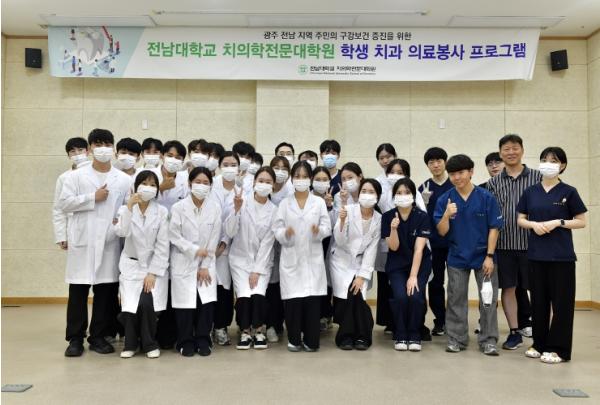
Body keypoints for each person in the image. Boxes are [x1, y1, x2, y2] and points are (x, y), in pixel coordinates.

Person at [58, 128, 132, 357]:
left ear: (113, 148)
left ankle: (98, 336)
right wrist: (92, 198)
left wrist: (120, 220)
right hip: (83, 241)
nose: (103, 149)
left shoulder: (124, 179)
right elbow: (64, 204)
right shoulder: (75, 177)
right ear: (90, 149)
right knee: (78, 293)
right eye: (98, 144)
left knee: (105, 293)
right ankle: (75, 339)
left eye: (107, 144)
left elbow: (128, 207)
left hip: (109, 242)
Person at [517, 147, 587, 364]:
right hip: (536, 255)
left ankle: (559, 349)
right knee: (538, 302)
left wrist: (559, 222)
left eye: (554, 160)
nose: (548, 164)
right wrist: (533, 225)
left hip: (561, 257)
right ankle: (539, 344)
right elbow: (520, 219)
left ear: (562, 165)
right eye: (544, 160)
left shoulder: (569, 192)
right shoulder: (530, 191)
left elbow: (581, 221)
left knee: (562, 304)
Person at [434, 154, 503, 356]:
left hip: (484, 257)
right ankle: (456, 339)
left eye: (461, 173)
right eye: (452, 174)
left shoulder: (486, 197)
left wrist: (489, 256)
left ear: (471, 172)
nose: (457, 177)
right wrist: (446, 215)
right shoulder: (445, 199)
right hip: (457, 256)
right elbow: (442, 231)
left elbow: (494, 228)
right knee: (455, 298)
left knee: (488, 299)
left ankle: (489, 340)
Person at [487, 134, 541, 350]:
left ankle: (541, 333)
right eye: (506, 149)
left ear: (522, 150)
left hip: (534, 245)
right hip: (504, 245)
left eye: (515, 148)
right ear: (501, 153)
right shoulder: (493, 183)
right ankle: (514, 332)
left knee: (537, 289)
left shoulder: (537, 177)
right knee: (508, 288)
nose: (511, 152)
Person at [273, 161, 332, 352]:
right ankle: (294, 339)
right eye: (297, 176)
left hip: (313, 258)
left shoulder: (319, 202)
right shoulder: (284, 203)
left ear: (311, 179)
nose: (301, 180)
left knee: (312, 302)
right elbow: (277, 229)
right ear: (292, 179)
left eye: (305, 176)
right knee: (293, 302)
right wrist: (285, 234)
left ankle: (311, 339)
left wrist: (318, 231)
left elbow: (327, 227)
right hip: (291, 257)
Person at [113, 170, 169, 359]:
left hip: (152, 266)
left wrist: (153, 273)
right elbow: (121, 232)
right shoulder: (124, 209)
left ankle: (149, 343)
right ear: (136, 186)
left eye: (153, 185)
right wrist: (129, 207)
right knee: (130, 307)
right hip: (131, 265)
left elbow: (163, 245)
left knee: (146, 304)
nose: (148, 188)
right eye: (144, 183)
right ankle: (130, 344)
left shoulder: (162, 212)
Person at [169, 167, 222, 357]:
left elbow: (214, 239)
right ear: (189, 183)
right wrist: (193, 250)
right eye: (198, 182)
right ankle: (184, 341)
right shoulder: (178, 208)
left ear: (211, 186)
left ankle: (203, 339)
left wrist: (205, 266)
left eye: (206, 182)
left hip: (207, 261)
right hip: (183, 260)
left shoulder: (215, 208)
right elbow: (174, 235)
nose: (201, 185)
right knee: (185, 304)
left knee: (205, 303)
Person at [225, 167, 278, 350]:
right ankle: (245, 331)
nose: (264, 184)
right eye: (261, 180)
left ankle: (259, 330)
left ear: (273, 185)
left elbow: (268, 242)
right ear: (254, 183)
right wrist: (236, 210)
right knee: (244, 296)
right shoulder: (241, 201)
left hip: (262, 262)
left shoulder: (274, 210)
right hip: (239, 260)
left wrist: (256, 270)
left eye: (268, 182)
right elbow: (230, 231)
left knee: (258, 294)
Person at [329, 179, 381, 350]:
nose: (367, 195)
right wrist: (342, 221)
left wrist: (362, 276)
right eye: (364, 191)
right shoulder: (349, 210)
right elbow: (339, 240)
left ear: (378, 196)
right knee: (349, 295)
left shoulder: (378, 219)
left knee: (356, 293)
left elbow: (372, 250)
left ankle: (355, 336)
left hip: (361, 261)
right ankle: (353, 335)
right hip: (341, 260)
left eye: (371, 192)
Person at [383, 178, 432, 352]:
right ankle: (401, 333)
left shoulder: (422, 216)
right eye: (399, 193)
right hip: (397, 264)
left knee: (416, 297)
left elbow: (419, 249)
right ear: (393, 196)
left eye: (407, 192)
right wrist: (393, 229)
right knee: (400, 297)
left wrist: (413, 276)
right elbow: (393, 246)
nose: (403, 196)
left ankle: (414, 333)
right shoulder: (388, 217)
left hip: (419, 265)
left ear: (413, 195)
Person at [152, 140, 189, 350]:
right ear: (162, 156)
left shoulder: (185, 179)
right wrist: (160, 189)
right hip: (153, 240)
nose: (174, 160)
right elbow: (137, 201)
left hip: (177, 240)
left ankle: (170, 334)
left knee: (174, 286)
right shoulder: (149, 176)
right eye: (170, 155)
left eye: (179, 157)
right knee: (156, 287)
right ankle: (150, 333)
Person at [418, 147, 453, 337]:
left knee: (455, 284)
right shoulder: (423, 187)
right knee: (435, 283)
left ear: (445, 162)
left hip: (454, 242)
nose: (436, 165)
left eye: (439, 161)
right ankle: (440, 321)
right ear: (427, 166)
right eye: (431, 162)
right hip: (433, 244)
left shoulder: (455, 183)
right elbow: (418, 216)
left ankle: (454, 321)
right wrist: (423, 202)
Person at [210, 151, 241, 346]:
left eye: (233, 164)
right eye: (226, 164)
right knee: (207, 287)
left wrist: (223, 243)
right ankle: (206, 326)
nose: (230, 168)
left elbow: (237, 220)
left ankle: (221, 327)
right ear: (220, 166)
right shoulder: (210, 186)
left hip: (229, 247)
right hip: (206, 245)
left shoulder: (242, 190)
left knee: (225, 290)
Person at [264, 156, 294, 343]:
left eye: (284, 168)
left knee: (282, 288)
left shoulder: (291, 193)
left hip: (286, 246)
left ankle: (279, 323)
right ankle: (270, 325)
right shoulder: (263, 189)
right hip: (264, 246)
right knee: (270, 287)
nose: (280, 171)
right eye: (276, 167)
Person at [373, 143, 397, 335]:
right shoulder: (377, 182)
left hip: (403, 235)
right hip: (383, 235)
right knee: (384, 279)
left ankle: (400, 320)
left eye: (388, 156)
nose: (385, 160)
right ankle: (387, 320)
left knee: (399, 280)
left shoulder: (404, 179)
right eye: (381, 158)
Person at [53, 137, 90, 251]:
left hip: (95, 224)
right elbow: (58, 208)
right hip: (74, 228)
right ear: (68, 155)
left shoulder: (97, 172)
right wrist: (61, 236)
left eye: (80, 150)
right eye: (73, 151)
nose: (77, 154)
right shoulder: (63, 178)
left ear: (88, 151)